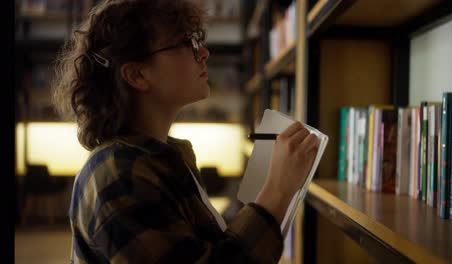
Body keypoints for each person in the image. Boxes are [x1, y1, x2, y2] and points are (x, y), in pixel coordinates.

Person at [51, 0, 320, 263]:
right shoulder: (117, 173)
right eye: (186, 43)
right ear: (137, 75)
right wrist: (278, 190)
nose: (204, 53)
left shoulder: (158, 158)